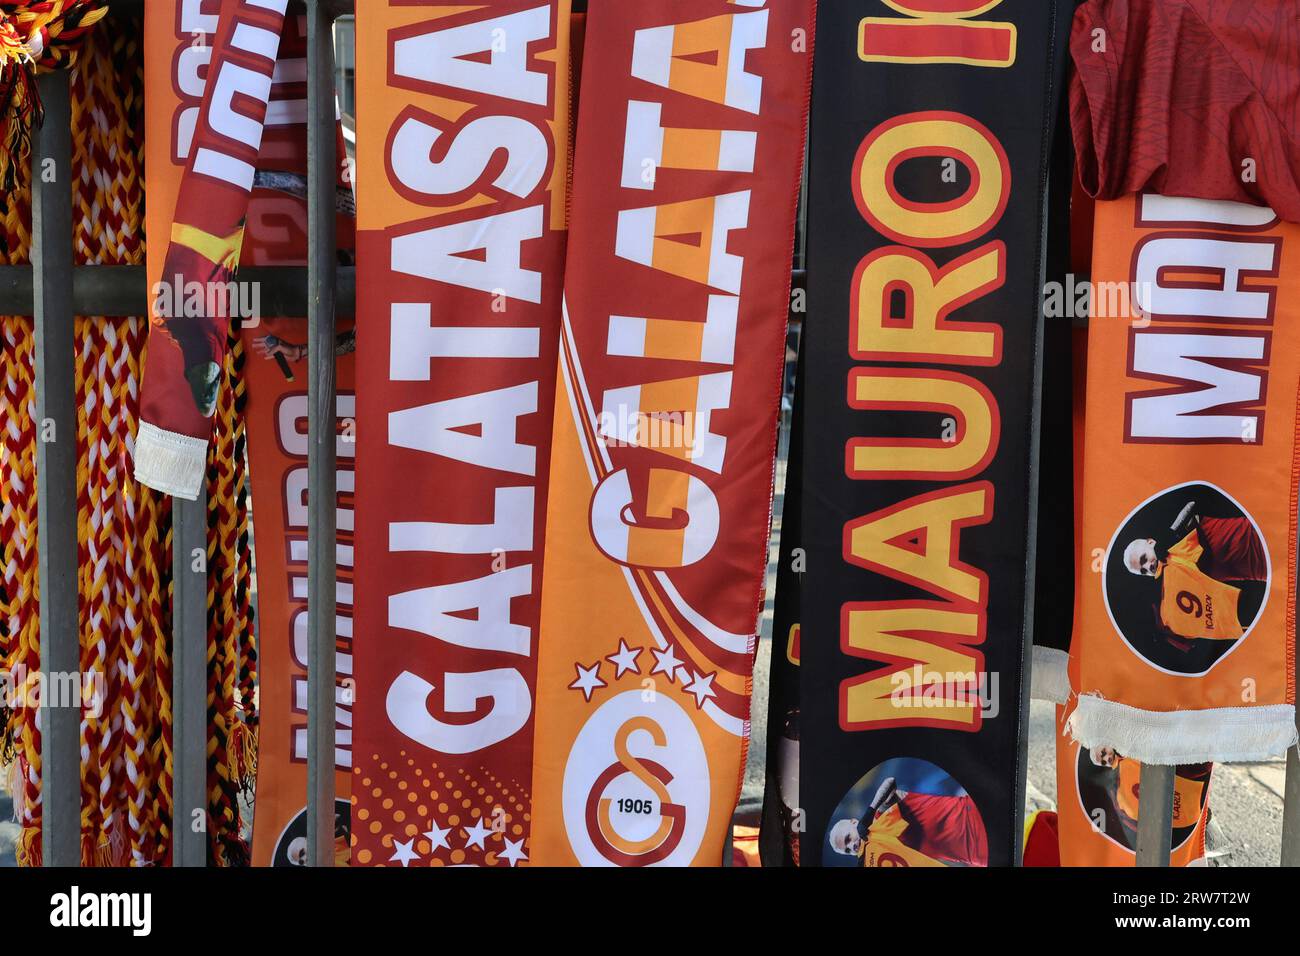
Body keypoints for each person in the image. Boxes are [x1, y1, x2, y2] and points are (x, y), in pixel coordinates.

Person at [829, 776, 987, 867]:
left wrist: (869, 813)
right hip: (975, 855)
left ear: (854, 822)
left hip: (973, 817)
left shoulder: (882, 814)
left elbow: (889, 783)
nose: (852, 846)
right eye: (848, 850)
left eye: (848, 838)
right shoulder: (881, 856)